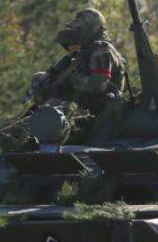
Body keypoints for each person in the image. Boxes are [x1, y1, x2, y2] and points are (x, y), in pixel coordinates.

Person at [31, 8, 128, 144]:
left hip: (99, 110)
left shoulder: (102, 51)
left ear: (91, 28)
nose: (77, 32)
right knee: (44, 107)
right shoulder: (86, 50)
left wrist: (70, 79)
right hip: (84, 104)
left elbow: (97, 86)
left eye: (80, 28)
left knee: (54, 114)